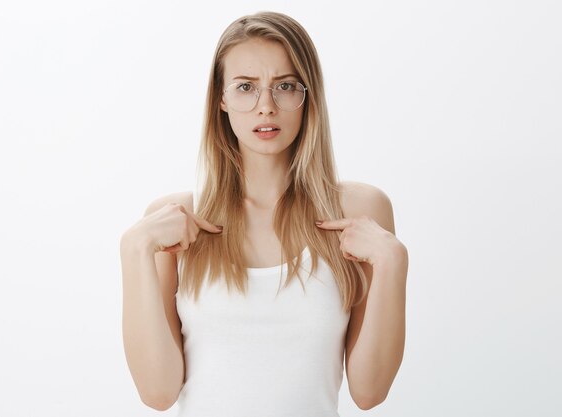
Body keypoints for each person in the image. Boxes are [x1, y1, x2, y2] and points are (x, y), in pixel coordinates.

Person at [119, 10, 409, 417]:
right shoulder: (174, 220)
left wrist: (394, 261)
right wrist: (134, 249)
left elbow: (369, 391)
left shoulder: (359, 212)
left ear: (308, 96)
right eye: (245, 87)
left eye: (285, 86)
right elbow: (158, 392)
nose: (266, 107)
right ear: (221, 99)